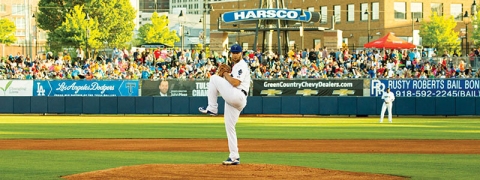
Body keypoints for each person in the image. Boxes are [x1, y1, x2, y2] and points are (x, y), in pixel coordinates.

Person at [198, 44, 250, 165]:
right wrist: (228, 74)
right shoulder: (236, 66)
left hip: (237, 95)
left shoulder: (241, 65)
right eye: (233, 52)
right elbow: (231, 80)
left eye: (237, 52)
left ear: (241, 53)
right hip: (235, 99)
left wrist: (226, 74)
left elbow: (236, 82)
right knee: (229, 127)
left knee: (213, 79)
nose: (235, 54)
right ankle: (234, 156)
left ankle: (212, 108)